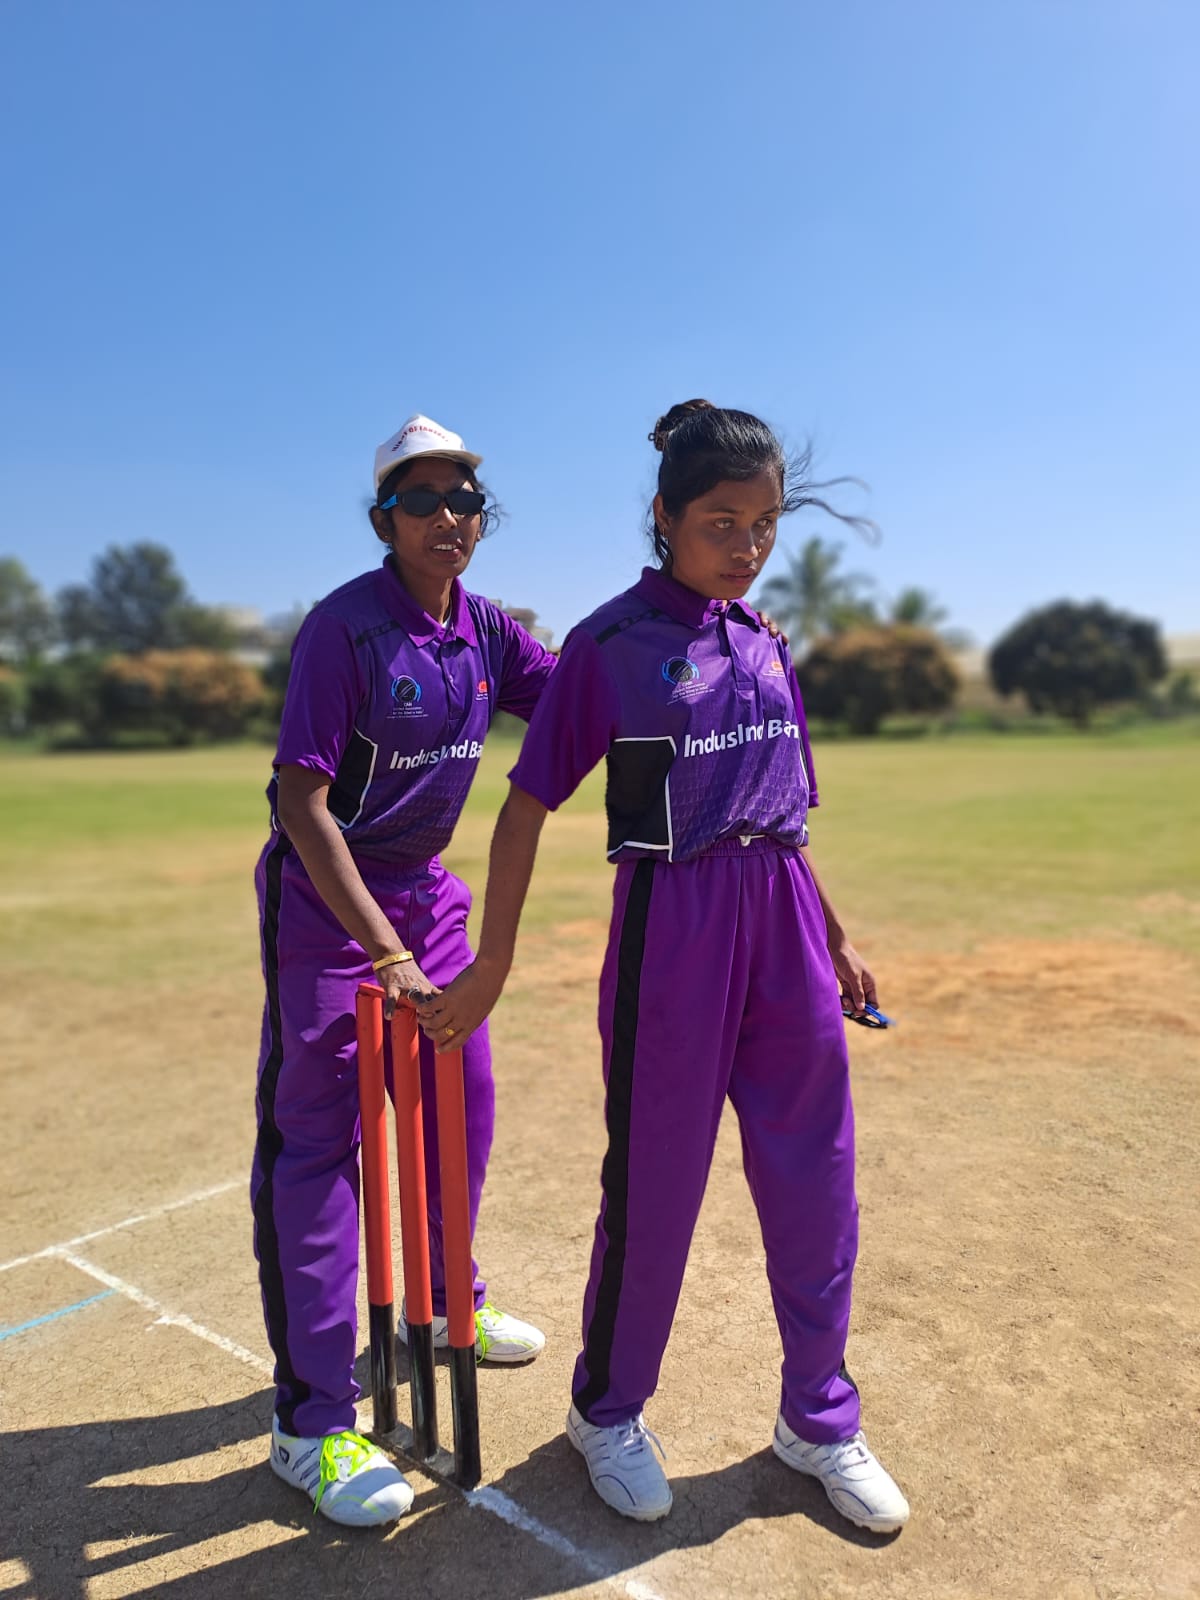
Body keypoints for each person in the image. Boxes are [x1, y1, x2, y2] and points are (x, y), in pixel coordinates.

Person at [417, 400, 911, 1534]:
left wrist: (834, 937)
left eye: (765, 524)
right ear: (663, 518)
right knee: (656, 1191)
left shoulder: (765, 639)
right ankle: (608, 1410)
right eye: (721, 523)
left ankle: (818, 1418)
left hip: (782, 915)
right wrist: (489, 962)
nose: (746, 547)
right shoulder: (611, 646)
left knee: (815, 1178)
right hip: (671, 923)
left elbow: (787, 815)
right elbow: (528, 804)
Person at [253, 414, 556, 1527]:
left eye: (465, 500)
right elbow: (301, 801)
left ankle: (444, 1304)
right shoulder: (346, 630)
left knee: (456, 1106)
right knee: (323, 1139)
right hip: (332, 906)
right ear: (385, 519)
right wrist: (381, 951)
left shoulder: (486, 630)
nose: (447, 518)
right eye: (422, 500)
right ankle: (314, 1422)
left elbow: (578, 701)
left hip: (428, 895)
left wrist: (698, 637)